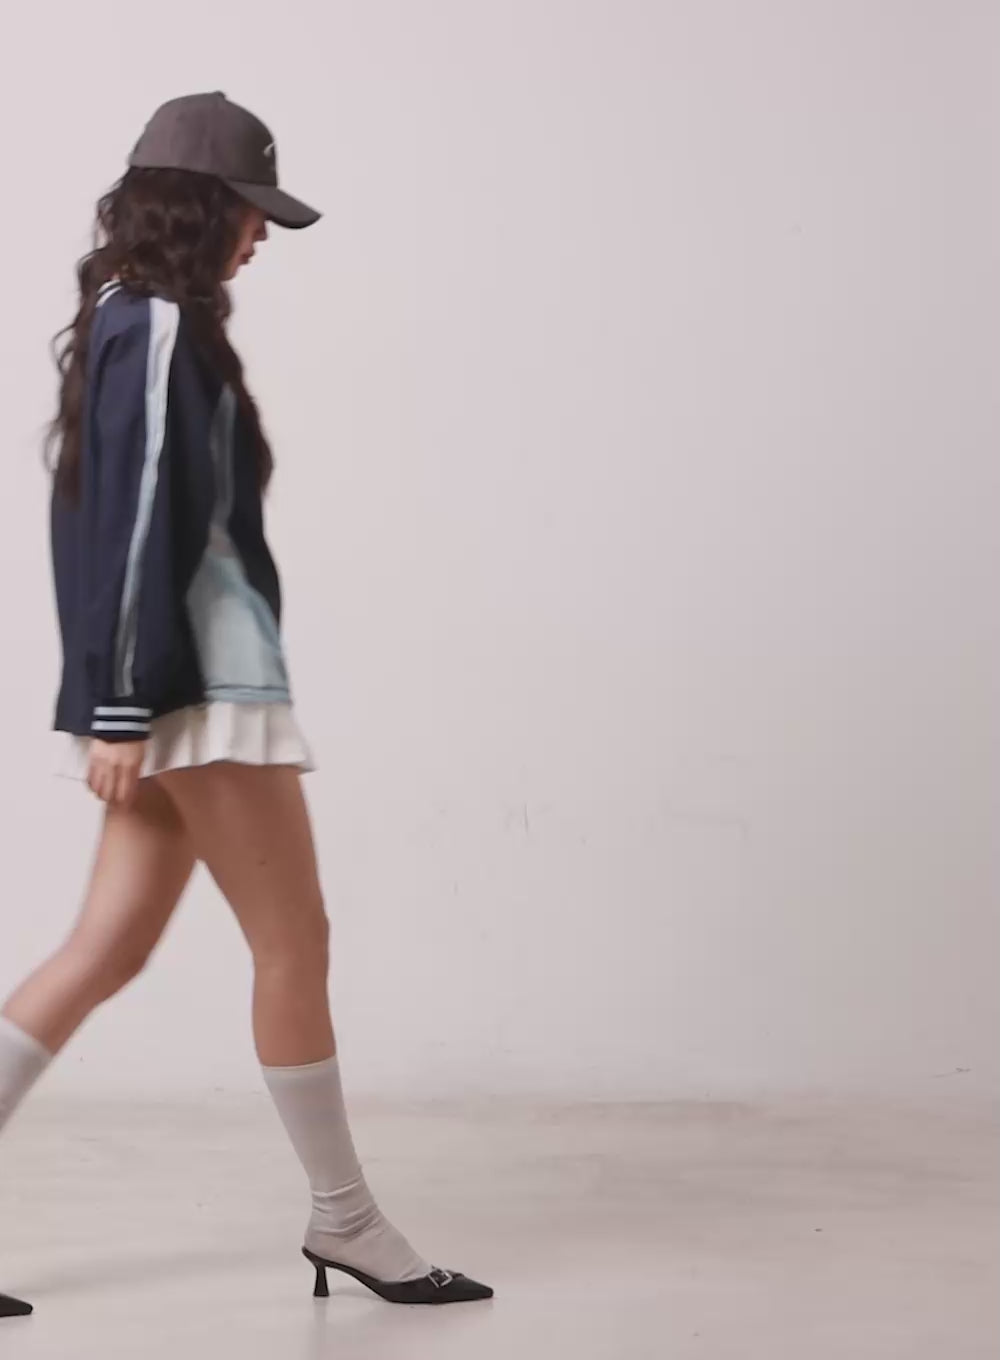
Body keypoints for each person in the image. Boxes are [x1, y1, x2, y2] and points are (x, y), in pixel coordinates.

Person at [0, 92, 491, 1319]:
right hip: (197, 683)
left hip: (167, 679)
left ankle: (346, 1218)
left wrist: (113, 694)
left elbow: (99, 522)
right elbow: (130, 525)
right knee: (294, 939)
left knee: (103, 950)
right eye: (248, 213)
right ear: (196, 208)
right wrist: (121, 704)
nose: (260, 237)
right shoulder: (159, 326)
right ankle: (346, 1219)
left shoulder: (125, 318)